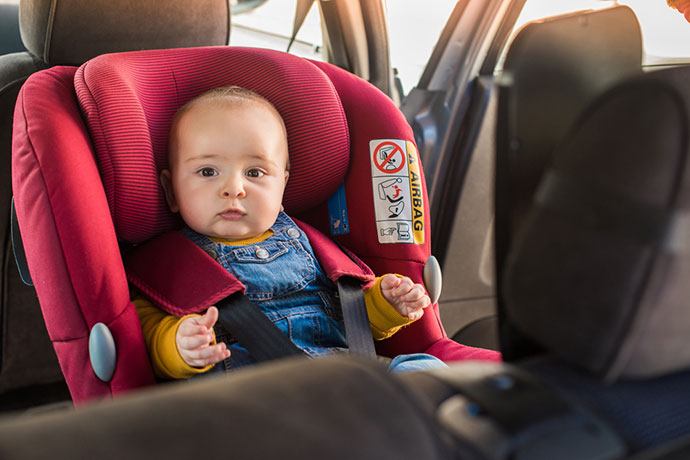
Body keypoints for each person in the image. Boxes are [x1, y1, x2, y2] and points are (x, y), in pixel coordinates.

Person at [134, 86, 447, 379]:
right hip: (254, 395)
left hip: (343, 376)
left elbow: (352, 319)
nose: (234, 189)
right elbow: (145, 334)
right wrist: (179, 345)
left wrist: (385, 303)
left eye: (254, 172)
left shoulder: (315, 246)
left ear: (282, 186)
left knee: (426, 370)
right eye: (207, 172)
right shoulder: (166, 266)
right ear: (171, 191)